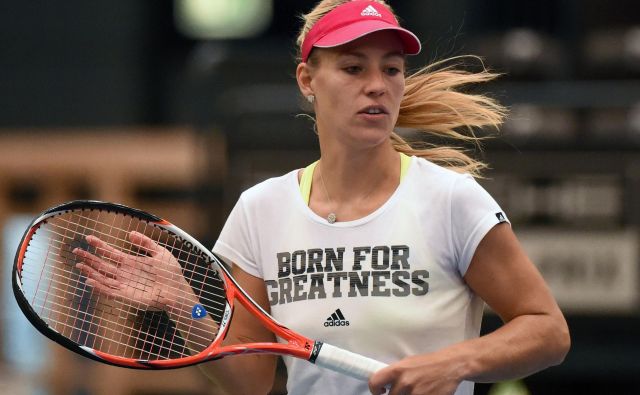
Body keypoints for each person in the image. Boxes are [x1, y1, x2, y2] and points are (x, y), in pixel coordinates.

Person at [76, 1, 570, 394]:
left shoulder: (453, 201)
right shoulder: (260, 210)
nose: (377, 85)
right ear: (307, 81)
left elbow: (548, 330)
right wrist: (188, 306)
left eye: (392, 69)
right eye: (354, 68)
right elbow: (250, 379)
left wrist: (454, 362)